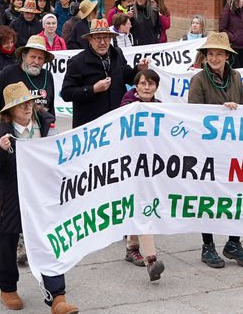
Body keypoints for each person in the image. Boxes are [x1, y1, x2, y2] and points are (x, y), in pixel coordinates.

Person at [0, 83, 75, 314]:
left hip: (41, 196)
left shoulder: (45, 124)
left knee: (50, 243)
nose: (27, 108)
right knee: (8, 244)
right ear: (10, 111)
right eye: (21, 105)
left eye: (29, 103)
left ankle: (58, 297)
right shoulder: (0, 132)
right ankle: (8, 289)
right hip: (10, 198)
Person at [187, 32, 243, 269]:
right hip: (207, 149)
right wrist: (221, 110)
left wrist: (237, 110)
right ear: (204, 57)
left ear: (227, 56)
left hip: (233, 148)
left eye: (219, 54)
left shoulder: (236, 77)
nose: (214, 58)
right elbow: (193, 113)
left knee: (236, 196)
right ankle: (208, 246)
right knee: (208, 198)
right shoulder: (198, 80)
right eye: (210, 54)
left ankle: (233, 243)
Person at [118, 68, 167, 281]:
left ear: (156, 87)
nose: (147, 87)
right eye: (143, 83)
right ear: (136, 86)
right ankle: (151, 259)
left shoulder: (161, 108)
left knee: (141, 204)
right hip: (131, 164)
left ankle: (132, 246)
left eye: (151, 84)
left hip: (151, 165)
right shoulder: (127, 107)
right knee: (144, 207)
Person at [61, 19, 150, 128]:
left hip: (116, 122)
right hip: (90, 126)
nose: (102, 42)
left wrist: (139, 69)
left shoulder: (117, 54)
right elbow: (67, 93)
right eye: (98, 38)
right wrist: (93, 89)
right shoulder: (77, 62)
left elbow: (129, 77)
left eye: (106, 38)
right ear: (90, 39)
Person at [0, 34, 56, 118]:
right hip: (11, 127)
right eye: (32, 57)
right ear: (24, 56)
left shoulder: (48, 76)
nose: (36, 62)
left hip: (41, 129)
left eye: (40, 58)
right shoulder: (8, 73)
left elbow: (51, 108)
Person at [219, 0, 243, 68]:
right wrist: (233, 37)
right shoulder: (226, 12)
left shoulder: (241, 10)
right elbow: (222, 29)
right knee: (235, 70)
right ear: (236, 1)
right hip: (234, 47)